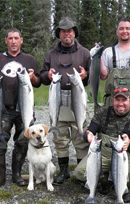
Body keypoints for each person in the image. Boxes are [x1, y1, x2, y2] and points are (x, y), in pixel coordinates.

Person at [0, 28, 41, 188]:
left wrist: (34, 77)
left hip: (25, 109)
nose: (13, 41)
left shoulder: (29, 59)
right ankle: (0, 176)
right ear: (6, 41)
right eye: (10, 38)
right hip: (3, 109)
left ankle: (16, 174)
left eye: (16, 38)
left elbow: (37, 82)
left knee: (24, 140)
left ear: (21, 40)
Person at [40, 17, 91, 185]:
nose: (67, 33)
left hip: (78, 97)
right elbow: (42, 77)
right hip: (57, 97)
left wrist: (86, 76)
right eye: (63, 31)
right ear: (59, 34)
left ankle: (81, 171)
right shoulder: (51, 54)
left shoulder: (84, 53)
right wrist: (47, 75)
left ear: (74, 33)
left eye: (70, 30)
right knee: (60, 138)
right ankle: (64, 171)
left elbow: (93, 76)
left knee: (80, 136)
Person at [74, 88, 130, 204]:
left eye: (124, 100)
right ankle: (104, 179)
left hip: (125, 155)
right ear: (112, 101)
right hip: (103, 154)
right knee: (79, 173)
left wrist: (129, 143)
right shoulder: (102, 114)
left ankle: (121, 188)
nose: (120, 103)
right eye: (117, 100)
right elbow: (90, 131)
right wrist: (89, 136)